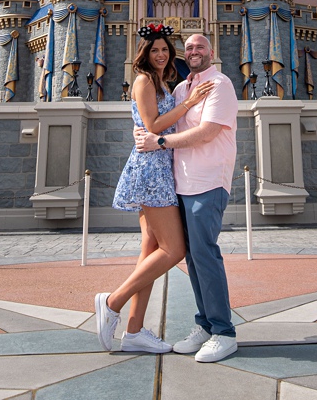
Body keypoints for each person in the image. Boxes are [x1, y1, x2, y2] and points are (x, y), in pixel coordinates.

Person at [94, 24, 214, 354]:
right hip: (152, 171)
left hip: (162, 166)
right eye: (154, 50)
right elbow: (153, 126)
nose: (160, 55)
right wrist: (188, 104)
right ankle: (113, 302)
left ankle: (134, 331)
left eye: (164, 49)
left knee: (149, 251)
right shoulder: (144, 81)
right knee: (173, 250)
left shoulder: (162, 81)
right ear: (144, 54)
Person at [135, 32, 239, 363]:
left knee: (205, 254)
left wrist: (160, 142)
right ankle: (205, 325)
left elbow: (208, 132)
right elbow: (160, 123)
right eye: (189, 47)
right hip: (182, 184)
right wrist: (142, 131)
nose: (193, 51)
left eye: (200, 47)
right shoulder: (182, 89)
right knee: (193, 257)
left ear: (212, 52)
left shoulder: (219, 84)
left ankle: (224, 332)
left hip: (208, 182)